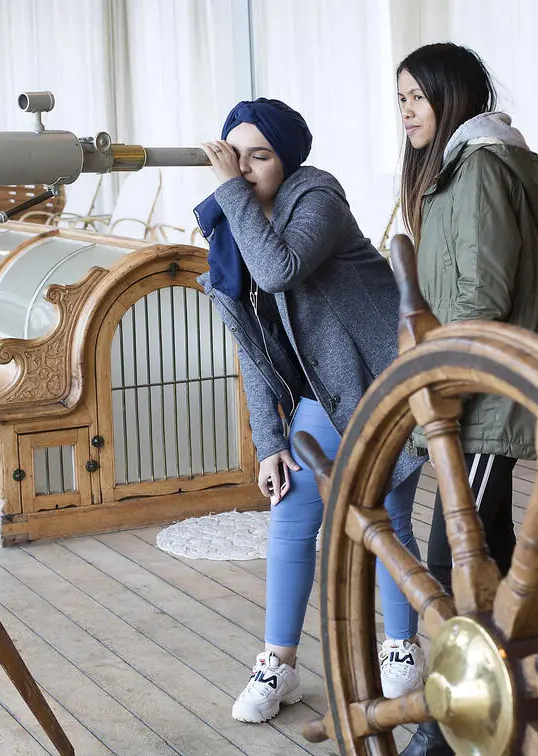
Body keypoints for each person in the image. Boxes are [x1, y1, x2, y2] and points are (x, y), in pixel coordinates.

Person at [194, 98, 427, 724]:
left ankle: (402, 648)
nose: (242, 170)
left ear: (288, 159)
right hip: (318, 392)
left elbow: (278, 270)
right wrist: (269, 441)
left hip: (376, 377)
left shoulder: (315, 196)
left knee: (384, 514)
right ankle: (281, 664)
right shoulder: (234, 228)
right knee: (293, 511)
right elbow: (249, 340)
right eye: (232, 155)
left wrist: (231, 194)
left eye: (259, 156)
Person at [393, 43, 538, 756]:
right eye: (400, 100)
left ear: (451, 98)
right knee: (485, 558)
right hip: (458, 387)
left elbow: (483, 294)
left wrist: (432, 362)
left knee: (449, 563)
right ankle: (514, 705)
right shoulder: (451, 172)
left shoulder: (483, 168)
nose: (406, 113)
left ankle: (444, 734)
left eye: (418, 99)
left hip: (484, 393)